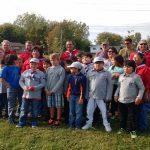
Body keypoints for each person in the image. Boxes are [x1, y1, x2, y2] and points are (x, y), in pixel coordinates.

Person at [114, 60, 145, 139]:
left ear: (133, 68)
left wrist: (139, 97)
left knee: (132, 117)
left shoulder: (136, 77)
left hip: (132, 101)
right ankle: (122, 128)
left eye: (128, 67)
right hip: (121, 101)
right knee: (122, 116)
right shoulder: (121, 76)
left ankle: (133, 131)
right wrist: (116, 94)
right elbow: (119, 87)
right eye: (124, 67)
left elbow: (142, 88)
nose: (126, 68)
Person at [82, 57, 112, 132]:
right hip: (91, 96)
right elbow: (87, 84)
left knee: (104, 112)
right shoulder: (89, 72)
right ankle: (89, 123)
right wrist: (86, 95)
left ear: (103, 64)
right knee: (89, 111)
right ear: (93, 64)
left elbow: (110, 86)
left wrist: (108, 96)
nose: (98, 64)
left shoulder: (107, 73)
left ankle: (106, 125)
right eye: (96, 63)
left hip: (102, 97)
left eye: (100, 63)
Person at [16, 58, 45, 128]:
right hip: (26, 94)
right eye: (32, 64)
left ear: (38, 65)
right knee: (23, 109)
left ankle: (34, 122)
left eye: (35, 64)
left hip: (36, 95)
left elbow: (43, 83)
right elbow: (21, 81)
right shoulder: (25, 72)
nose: (33, 65)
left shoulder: (41, 73)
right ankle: (21, 122)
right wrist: (24, 87)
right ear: (29, 64)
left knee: (35, 110)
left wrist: (35, 88)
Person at [0, 54, 22, 124]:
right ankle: (11, 118)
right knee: (11, 103)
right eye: (15, 59)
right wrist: (7, 85)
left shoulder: (17, 67)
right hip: (11, 88)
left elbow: (19, 75)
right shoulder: (5, 68)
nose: (17, 61)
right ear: (11, 60)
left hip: (19, 87)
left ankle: (18, 115)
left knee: (21, 102)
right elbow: (2, 79)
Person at [45, 53, 65, 126]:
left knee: (58, 106)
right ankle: (52, 117)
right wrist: (46, 89)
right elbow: (45, 80)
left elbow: (60, 81)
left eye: (54, 60)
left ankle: (58, 119)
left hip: (57, 91)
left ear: (58, 60)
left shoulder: (61, 69)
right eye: (51, 60)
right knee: (51, 105)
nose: (52, 62)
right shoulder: (48, 69)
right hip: (48, 91)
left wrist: (53, 90)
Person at [133, 52, 150, 132]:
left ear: (142, 59)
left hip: (143, 93)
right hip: (134, 92)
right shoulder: (134, 68)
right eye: (134, 58)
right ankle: (137, 125)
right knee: (137, 109)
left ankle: (143, 127)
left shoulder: (145, 69)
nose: (135, 59)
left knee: (142, 110)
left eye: (136, 58)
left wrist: (146, 93)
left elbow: (148, 82)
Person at [67, 62, 86, 129]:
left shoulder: (82, 77)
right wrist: (68, 95)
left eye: (72, 68)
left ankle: (77, 125)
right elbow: (69, 87)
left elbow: (82, 89)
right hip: (72, 96)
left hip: (78, 97)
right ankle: (71, 125)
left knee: (78, 112)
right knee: (71, 111)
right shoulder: (71, 77)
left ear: (77, 69)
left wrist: (81, 98)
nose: (70, 69)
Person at [63, 60, 73, 124]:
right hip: (64, 93)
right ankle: (66, 119)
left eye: (68, 66)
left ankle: (70, 119)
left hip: (71, 93)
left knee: (70, 107)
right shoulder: (63, 73)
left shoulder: (72, 74)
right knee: (66, 106)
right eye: (66, 65)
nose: (67, 67)